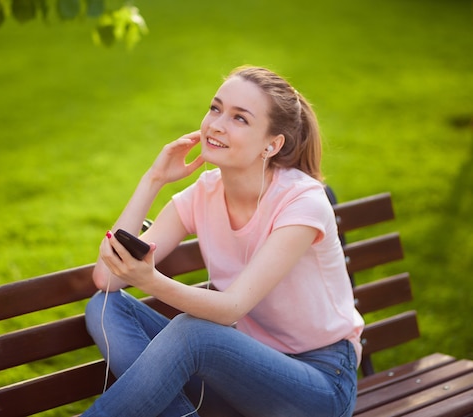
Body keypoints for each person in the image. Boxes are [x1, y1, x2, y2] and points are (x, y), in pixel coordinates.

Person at [82, 65, 364, 417]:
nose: (216, 124)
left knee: (193, 333)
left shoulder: (302, 201)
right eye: (215, 108)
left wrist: (151, 281)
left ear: (272, 144)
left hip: (320, 384)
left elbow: (232, 307)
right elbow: (106, 278)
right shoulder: (203, 193)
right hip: (243, 377)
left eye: (240, 119)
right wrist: (153, 179)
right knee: (105, 306)